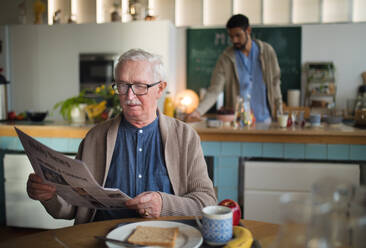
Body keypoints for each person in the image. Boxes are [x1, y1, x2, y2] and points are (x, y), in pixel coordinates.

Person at [26, 49, 217, 224]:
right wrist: (49, 195)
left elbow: (206, 202)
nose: (129, 96)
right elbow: (71, 208)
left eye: (140, 86)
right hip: (102, 238)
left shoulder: (185, 137)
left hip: (165, 237)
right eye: (122, 86)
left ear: (160, 89)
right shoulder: (95, 138)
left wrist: (164, 204)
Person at [186, 14, 283, 123]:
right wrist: (198, 111)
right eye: (231, 36)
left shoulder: (267, 52)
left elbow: (275, 82)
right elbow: (214, 90)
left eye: (238, 35)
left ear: (248, 31)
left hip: (265, 119)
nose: (234, 40)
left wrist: (280, 111)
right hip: (237, 122)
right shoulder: (225, 58)